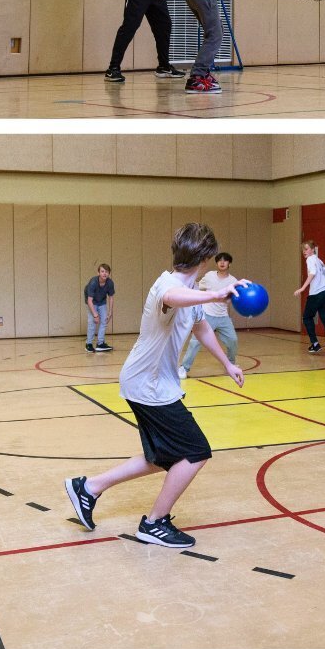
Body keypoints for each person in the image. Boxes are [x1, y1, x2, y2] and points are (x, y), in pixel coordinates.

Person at [63, 222, 247, 549]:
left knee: (162, 456)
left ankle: (87, 488)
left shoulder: (192, 293)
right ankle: (154, 523)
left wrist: (227, 363)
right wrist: (217, 293)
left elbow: (201, 327)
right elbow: (172, 298)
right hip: (148, 386)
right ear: (205, 258)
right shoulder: (169, 286)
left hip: (152, 384)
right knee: (195, 451)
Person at [181, 252, 241, 379]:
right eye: (220, 260)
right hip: (207, 315)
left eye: (225, 260)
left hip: (223, 317)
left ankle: (230, 364)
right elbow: (197, 286)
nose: (222, 262)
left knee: (233, 340)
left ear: (229, 263)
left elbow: (236, 298)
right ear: (217, 263)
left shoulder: (233, 281)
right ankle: (184, 368)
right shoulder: (209, 276)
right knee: (195, 342)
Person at [293, 239, 325, 358]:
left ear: (313, 249)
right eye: (303, 250)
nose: (304, 252)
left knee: (307, 317)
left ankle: (315, 344)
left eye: (306, 249)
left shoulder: (310, 260)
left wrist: (302, 288)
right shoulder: (320, 262)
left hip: (316, 294)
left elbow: (312, 273)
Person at [84, 263, 116, 353]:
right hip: (92, 301)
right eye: (102, 271)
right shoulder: (93, 282)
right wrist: (95, 315)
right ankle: (88, 344)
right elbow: (90, 300)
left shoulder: (110, 283)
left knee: (104, 321)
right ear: (98, 273)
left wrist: (110, 312)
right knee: (92, 322)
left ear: (109, 273)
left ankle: (100, 344)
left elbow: (111, 297)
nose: (104, 273)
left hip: (102, 301)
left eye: (106, 272)